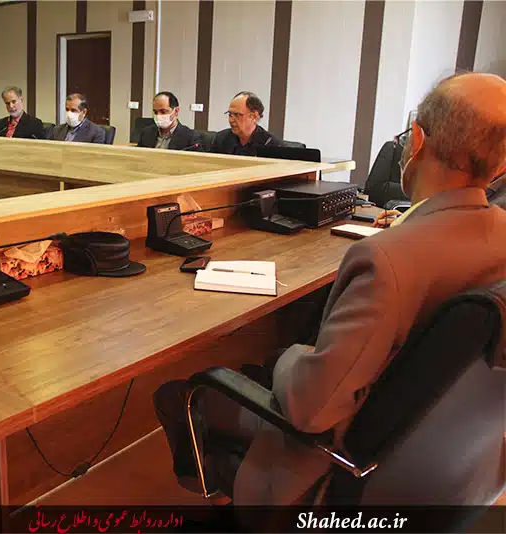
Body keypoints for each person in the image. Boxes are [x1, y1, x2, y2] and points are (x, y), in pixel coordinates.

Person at [154, 72, 506, 505]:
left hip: (339, 469)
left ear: (416, 141)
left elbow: (312, 410)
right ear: (500, 165)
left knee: (184, 392)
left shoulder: (388, 259)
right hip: (452, 469)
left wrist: (290, 357)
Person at [210, 92, 281, 155]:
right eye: (230, 114)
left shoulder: (270, 144)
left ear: (254, 116)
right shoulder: (221, 139)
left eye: (237, 115)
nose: (231, 120)